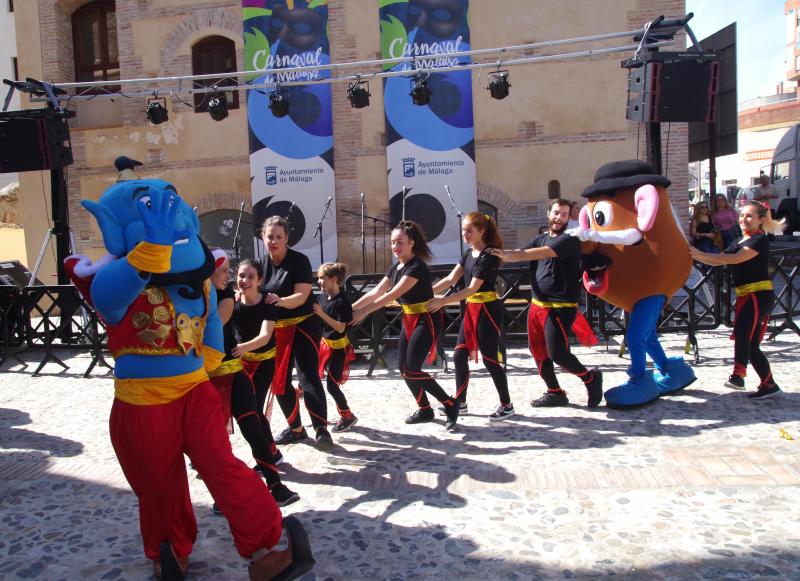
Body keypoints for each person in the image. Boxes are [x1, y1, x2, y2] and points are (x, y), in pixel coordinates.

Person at [67, 178, 313, 580]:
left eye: (174, 207)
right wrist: (150, 250)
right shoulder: (118, 275)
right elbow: (108, 299)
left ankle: (265, 548)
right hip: (144, 403)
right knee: (162, 483)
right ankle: (170, 551)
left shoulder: (197, 279)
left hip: (195, 391)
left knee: (223, 465)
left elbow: (212, 316)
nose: (173, 219)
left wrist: (213, 355)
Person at [490, 198, 602, 408]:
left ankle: (590, 378)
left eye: (565, 215)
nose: (559, 218)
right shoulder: (540, 238)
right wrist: (491, 253)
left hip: (560, 307)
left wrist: (501, 253)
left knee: (557, 353)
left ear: (569, 219)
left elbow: (533, 254)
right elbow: (518, 255)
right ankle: (555, 392)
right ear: (548, 213)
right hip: (537, 305)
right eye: (556, 213)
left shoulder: (568, 240)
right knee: (538, 351)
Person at [208, 253, 298, 508]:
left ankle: (276, 485)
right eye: (226, 271)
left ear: (259, 280)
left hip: (236, 369)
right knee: (214, 438)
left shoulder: (226, 297)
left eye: (230, 271)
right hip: (205, 376)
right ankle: (223, 494)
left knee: (253, 425)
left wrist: (241, 348)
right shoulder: (202, 295)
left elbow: (217, 325)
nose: (231, 276)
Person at [352, 220, 460, 430]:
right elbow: (376, 291)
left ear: (411, 242)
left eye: (400, 242)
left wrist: (364, 311)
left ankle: (449, 403)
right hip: (409, 319)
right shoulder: (395, 267)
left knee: (411, 369)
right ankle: (425, 409)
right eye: (393, 242)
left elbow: (393, 294)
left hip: (426, 318)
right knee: (404, 368)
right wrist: (350, 308)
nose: (395, 247)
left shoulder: (416, 266)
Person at [689, 201, 784, 400]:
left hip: (759, 295)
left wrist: (698, 253)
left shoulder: (759, 240)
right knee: (751, 345)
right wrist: (695, 256)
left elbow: (735, 259)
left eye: (749, 216)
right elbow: (721, 258)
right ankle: (769, 384)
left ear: (760, 219)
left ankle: (738, 376)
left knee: (742, 333)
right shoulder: (740, 240)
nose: (744, 219)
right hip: (746, 296)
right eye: (742, 215)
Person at [428, 212, 514, 420]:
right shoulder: (468, 254)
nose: (464, 234)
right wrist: (426, 293)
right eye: (463, 230)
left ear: (482, 231)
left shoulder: (489, 256)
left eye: (469, 230)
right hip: (472, 310)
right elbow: (450, 279)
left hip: (487, 311)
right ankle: (461, 402)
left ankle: (507, 404)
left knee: (490, 359)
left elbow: (472, 289)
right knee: (459, 356)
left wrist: (442, 301)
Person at [259, 216, 333, 450]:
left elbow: (301, 296)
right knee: (278, 381)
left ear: (287, 239)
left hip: (303, 325)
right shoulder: (260, 265)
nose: (274, 241)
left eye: (279, 237)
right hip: (276, 329)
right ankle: (296, 429)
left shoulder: (299, 261)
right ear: (263, 237)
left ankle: (321, 429)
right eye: (270, 236)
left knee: (307, 376)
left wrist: (279, 300)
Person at [313, 262, 358, 432]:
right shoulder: (322, 297)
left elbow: (340, 327)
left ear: (333, 279)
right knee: (311, 375)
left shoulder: (342, 301)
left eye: (322, 278)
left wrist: (322, 314)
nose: (319, 281)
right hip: (325, 346)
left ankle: (347, 416)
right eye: (318, 278)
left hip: (339, 349)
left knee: (332, 385)